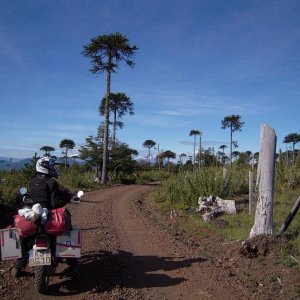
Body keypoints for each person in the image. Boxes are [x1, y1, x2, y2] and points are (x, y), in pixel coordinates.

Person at [11, 156, 79, 278]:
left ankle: (18, 265)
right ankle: (72, 263)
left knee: (25, 237)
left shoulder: (32, 181)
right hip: (49, 217)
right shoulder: (52, 182)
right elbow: (55, 202)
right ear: (45, 167)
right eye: (51, 167)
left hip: (34, 218)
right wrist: (67, 198)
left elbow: (31, 197)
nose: (53, 169)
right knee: (67, 232)